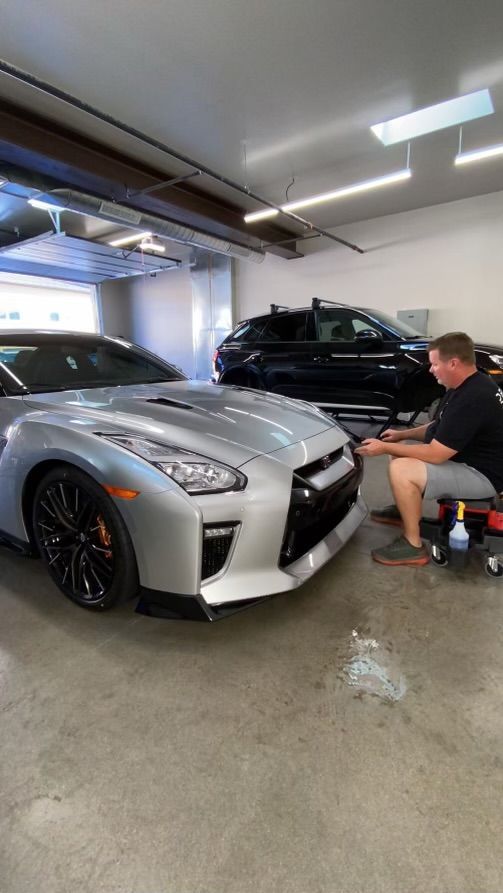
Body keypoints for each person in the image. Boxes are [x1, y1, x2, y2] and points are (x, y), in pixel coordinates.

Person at [354, 332, 503, 566]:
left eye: (434, 364)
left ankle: (413, 546)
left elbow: (437, 453)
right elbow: (440, 425)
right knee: (398, 448)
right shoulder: (466, 385)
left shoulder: (474, 397)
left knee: (402, 469)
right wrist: (401, 435)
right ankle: (404, 509)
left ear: (453, 363)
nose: (431, 370)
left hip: (482, 476)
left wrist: (382, 447)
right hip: (469, 460)